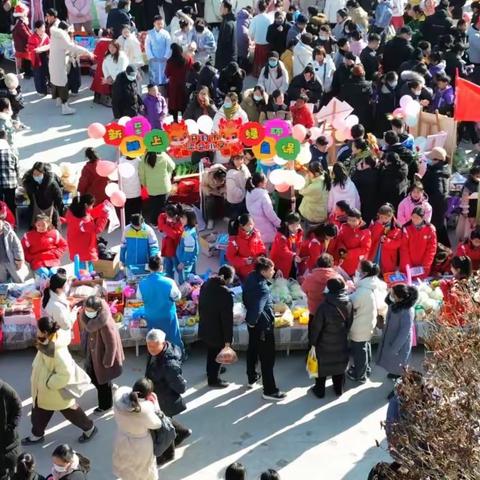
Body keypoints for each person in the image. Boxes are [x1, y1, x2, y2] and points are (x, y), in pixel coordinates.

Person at [21, 316, 97, 445]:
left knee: (70, 412)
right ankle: (37, 435)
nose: (36, 332)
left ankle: (90, 428)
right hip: (45, 392)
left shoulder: (57, 350)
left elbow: (65, 373)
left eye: (38, 330)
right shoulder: (47, 342)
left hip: (54, 391)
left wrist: (48, 383)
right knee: (39, 413)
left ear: (45, 332)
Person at [145, 328, 191, 464]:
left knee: (164, 427)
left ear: (163, 343)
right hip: (158, 394)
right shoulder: (157, 352)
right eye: (149, 346)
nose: (151, 349)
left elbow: (180, 386)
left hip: (165, 398)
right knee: (166, 420)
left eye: (154, 346)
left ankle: (168, 454)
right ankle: (183, 432)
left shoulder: (169, 364)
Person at [243, 257, 286, 400]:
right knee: (267, 359)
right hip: (262, 326)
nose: (273, 271)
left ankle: (252, 377)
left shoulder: (250, 277)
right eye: (272, 269)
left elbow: (246, 299)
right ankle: (269, 390)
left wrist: (250, 323)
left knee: (252, 349)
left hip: (253, 324)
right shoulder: (262, 288)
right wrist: (253, 321)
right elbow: (257, 308)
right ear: (264, 271)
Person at [309, 277, 353, 398]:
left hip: (324, 343)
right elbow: (350, 322)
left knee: (322, 367)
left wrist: (313, 342)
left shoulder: (324, 306)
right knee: (339, 365)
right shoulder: (348, 302)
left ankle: (320, 390)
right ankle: (338, 389)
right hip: (341, 340)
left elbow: (316, 327)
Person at [80, 295, 124, 414]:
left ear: (98, 310)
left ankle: (105, 405)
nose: (87, 313)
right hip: (93, 354)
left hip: (102, 357)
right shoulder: (91, 319)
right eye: (86, 310)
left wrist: (107, 361)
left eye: (90, 311)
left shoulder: (104, 324)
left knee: (101, 382)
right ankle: (110, 386)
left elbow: (111, 344)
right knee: (96, 378)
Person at [112, 379, 163, 480]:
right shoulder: (144, 409)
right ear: (148, 395)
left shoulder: (118, 397)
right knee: (142, 468)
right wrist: (155, 405)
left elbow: (125, 391)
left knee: (124, 462)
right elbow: (157, 424)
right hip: (140, 443)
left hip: (122, 436)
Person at [348, 260, 387, 382]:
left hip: (361, 324)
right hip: (369, 322)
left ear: (364, 273)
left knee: (359, 350)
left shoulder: (363, 290)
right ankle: (365, 368)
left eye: (358, 269)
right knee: (365, 346)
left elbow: (353, 303)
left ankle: (360, 375)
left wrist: (348, 294)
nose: (357, 271)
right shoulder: (375, 284)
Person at [198, 265, 235, 388]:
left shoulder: (206, 284)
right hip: (217, 329)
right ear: (227, 278)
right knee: (216, 351)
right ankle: (213, 379)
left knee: (211, 351)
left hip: (205, 325)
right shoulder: (225, 293)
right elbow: (227, 319)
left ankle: (211, 371)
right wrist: (228, 340)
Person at [139, 256, 183, 348]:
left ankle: (157, 356)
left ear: (149, 267)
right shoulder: (169, 282)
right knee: (173, 338)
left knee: (156, 339)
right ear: (161, 267)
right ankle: (178, 356)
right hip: (168, 317)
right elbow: (177, 297)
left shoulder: (142, 283)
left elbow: (139, 298)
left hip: (152, 317)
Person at [48, 21, 91, 115]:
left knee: (55, 82)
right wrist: (87, 51)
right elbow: (72, 47)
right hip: (60, 64)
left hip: (53, 63)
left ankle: (58, 100)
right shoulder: (62, 37)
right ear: (65, 30)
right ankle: (65, 107)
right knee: (63, 84)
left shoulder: (54, 35)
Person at [376, 284, 418, 379]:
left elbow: (404, 333)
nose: (391, 295)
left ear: (399, 297)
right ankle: (395, 372)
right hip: (392, 337)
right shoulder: (396, 305)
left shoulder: (407, 311)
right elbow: (388, 301)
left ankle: (401, 376)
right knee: (393, 361)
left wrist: (395, 348)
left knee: (400, 360)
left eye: (393, 294)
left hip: (399, 343)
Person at [65, 194, 108, 266]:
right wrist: (104, 216)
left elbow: (90, 214)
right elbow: (97, 229)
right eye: (91, 205)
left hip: (76, 246)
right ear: (86, 205)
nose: (92, 207)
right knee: (85, 273)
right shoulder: (83, 221)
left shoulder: (74, 212)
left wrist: (102, 206)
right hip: (84, 250)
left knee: (80, 268)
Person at [421, 146, 451, 246]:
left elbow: (439, 194)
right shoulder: (443, 170)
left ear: (436, 160)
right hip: (440, 209)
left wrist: (427, 204)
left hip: (435, 210)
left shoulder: (436, 175)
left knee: (436, 234)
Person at [139, 150, 176, 225]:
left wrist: (145, 184)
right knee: (163, 205)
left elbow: (141, 174)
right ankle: (163, 223)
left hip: (152, 188)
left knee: (154, 206)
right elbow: (172, 166)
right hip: (164, 186)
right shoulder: (163, 155)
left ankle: (154, 223)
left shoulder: (144, 158)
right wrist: (168, 174)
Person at [226, 214, 266, 280]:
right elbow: (230, 257)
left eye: (252, 224)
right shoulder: (234, 240)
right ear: (242, 225)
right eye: (248, 225)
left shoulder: (256, 233)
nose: (251, 226)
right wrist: (244, 261)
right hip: (244, 269)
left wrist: (262, 254)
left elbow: (261, 245)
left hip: (257, 264)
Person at [23, 162, 63, 228]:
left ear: (44, 173)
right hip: (36, 207)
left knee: (53, 227)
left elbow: (58, 197)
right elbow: (30, 197)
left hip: (50, 206)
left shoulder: (52, 183)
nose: (36, 176)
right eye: (34, 174)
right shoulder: (29, 182)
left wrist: (57, 209)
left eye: (38, 174)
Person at [400, 206, 437, 277]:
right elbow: (403, 248)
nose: (415, 219)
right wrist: (407, 265)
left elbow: (432, 248)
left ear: (423, 218)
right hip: (408, 264)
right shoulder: (406, 228)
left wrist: (426, 264)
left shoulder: (430, 229)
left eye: (417, 217)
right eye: (413, 217)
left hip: (423, 264)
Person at [246, 172, 281, 247]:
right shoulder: (263, 195)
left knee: (258, 244)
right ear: (260, 183)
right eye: (265, 179)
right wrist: (278, 223)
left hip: (254, 223)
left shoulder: (249, 192)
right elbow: (270, 213)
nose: (266, 180)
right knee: (266, 246)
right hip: (266, 227)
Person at [335, 207, 371, 277]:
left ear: (360, 219)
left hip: (354, 262)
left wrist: (349, 253)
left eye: (354, 220)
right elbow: (339, 240)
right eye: (349, 220)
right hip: (342, 258)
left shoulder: (365, 232)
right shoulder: (344, 226)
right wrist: (342, 250)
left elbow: (365, 249)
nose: (351, 222)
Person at [42, 271, 76, 343]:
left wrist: (68, 302)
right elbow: (66, 326)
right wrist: (74, 314)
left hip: (51, 334)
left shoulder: (49, 293)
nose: (67, 285)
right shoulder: (57, 306)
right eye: (65, 284)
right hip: (57, 340)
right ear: (58, 288)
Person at [368, 204, 403, 274]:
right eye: (381, 217)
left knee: (386, 274)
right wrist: (378, 225)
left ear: (391, 216)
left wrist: (386, 241)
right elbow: (370, 238)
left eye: (386, 218)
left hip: (388, 257)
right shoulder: (374, 223)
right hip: (375, 252)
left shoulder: (396, 227)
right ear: (378, 215)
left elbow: (398, 243)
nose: (383, 219)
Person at [339, 64, 372, 130]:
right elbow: (370, 97)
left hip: (350, 114)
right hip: (364, 113)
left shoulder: (345, 86)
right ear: (363, 73)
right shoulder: (368, 85)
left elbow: (342, 99)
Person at [0, 379, 22, 480]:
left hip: (7, 438)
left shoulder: (5, 389)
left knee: (10, 465)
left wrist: (12, 425)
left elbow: (18, 406)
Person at [270, 212, 303, 278]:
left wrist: (300, 233)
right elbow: (283, 250)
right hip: (280, 262)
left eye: (297, 225)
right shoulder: (281, 235)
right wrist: (293, 255)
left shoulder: (298, 231)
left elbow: (299, 243)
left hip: (291, 260)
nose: (295, 228)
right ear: (286, 223)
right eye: (292, 225)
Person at [165, 43, 193, 121]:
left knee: (174, 104)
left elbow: (167, 73)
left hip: (173, 85)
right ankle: (184, 121)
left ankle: (175, 121)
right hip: (183, 84)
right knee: (183, 102)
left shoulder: (170, 61)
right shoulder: (186, 60)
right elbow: (191, 68)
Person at [0, 203, 26, 283]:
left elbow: (17, 246)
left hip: (10, 260)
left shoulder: (9, 232)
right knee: (2, 279)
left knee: (17, 277)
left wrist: (19, 259)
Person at [299, 160, 330, 226]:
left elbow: (301, 191)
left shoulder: (316, 187)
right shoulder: (324, 176)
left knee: (309, 234)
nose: (308, 174)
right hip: (320, 214)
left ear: (316, 173)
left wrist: (307, 178)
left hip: (312, 216)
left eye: (309, 172)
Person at [351, 156, 379, 226]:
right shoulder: (377, 172)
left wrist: (358, 169)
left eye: (363, 163)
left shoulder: (361, 175)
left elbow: (353, 181)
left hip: (363, 201)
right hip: (373, 202)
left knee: (363, 221)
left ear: (367, 164)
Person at [157, 204, 183, 279]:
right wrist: (169, 229)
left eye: (169, 216)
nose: (167, 217)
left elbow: (175, 235)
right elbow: (160, 227)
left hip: (176, 250)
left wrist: (166, 227)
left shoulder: (180, 221)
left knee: (180, 270)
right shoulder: (162, 216)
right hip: (167, 249)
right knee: (167, 271)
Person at [248, 0, 272, 77]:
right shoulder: (270, 18)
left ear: (258, 8)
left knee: (258, 62)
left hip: (258, 44)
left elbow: (251, 33)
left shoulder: (255, 18)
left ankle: (258, 74)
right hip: (268, 44)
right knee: (265, 61)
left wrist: (252, 39)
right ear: (266, 7)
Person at [176, 208, 199, 284]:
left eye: (183, 218)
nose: (180, 219)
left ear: (189, 219)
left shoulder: (188, 234)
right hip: (188, 261)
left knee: (185, 282)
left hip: (186, 264)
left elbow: (188, 251)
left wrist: (183, 262)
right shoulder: (189, 229)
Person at [27, 20, 50, 96]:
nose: (43, 30)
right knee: (38, 75)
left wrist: (45, 48)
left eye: (44, 28)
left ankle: (47, 88)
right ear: (36, 29)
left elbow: (49, 45)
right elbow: (30, 49)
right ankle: (40, 91)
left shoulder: (46, 36)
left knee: (46, 73)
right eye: (41, 29)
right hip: (36, 58)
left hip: (45, 56)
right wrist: (38, 50)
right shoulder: (32, 37)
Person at [90, 30, 112, 106]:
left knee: (98, 81)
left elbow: (95, 56)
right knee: (106, 83)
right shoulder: (113, 43)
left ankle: (96, 98)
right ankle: (105, 100)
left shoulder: (100, 42)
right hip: (109, 65)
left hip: (100, 65)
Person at [225, 153, 251, 219]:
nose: (240, 161)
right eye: (237, 159)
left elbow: (249, 177)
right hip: (235, 201)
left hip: (244, 197)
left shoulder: (244, 167)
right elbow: (232, 189)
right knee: (236, 219)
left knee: (245, 218)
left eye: (241, 159)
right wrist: (242, 193)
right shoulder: (230, 173)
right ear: (232, 160)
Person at [0, 129, 19, 218]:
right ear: (5, 137)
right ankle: (12, 223)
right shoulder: (12, 152)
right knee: (11, 203)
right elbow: (16, 168)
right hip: (10, 183)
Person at [202, 164, 227, 230]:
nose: (220, 182)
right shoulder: (207, 175)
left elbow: (226, 186)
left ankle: (225, 215)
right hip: (211, 192)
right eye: (218, 181)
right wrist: (210, 192)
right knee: (210, 201)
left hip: (220, 191)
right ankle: (210, 219)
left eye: (222, 181)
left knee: (227, 198)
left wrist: (222, 191)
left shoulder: (226, 176)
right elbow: (204, 186)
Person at [215, 0, 237, 71]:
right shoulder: (228, 20)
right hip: (229, 58)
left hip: (226, 60)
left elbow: (223, 43)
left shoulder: (228, 24)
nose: (220, 8)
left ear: (226, 9)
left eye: (221, 6)